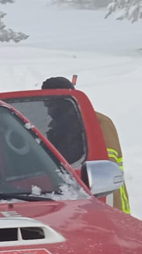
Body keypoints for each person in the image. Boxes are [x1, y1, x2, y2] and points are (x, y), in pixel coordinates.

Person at [41, 77, 131, 214]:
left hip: (107, 200)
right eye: (46, 105)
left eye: (51, 105)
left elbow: (103, 164)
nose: (48, 111)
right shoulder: (57, 128)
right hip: (74, 201)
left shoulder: (97, 122)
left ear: (63, 101)